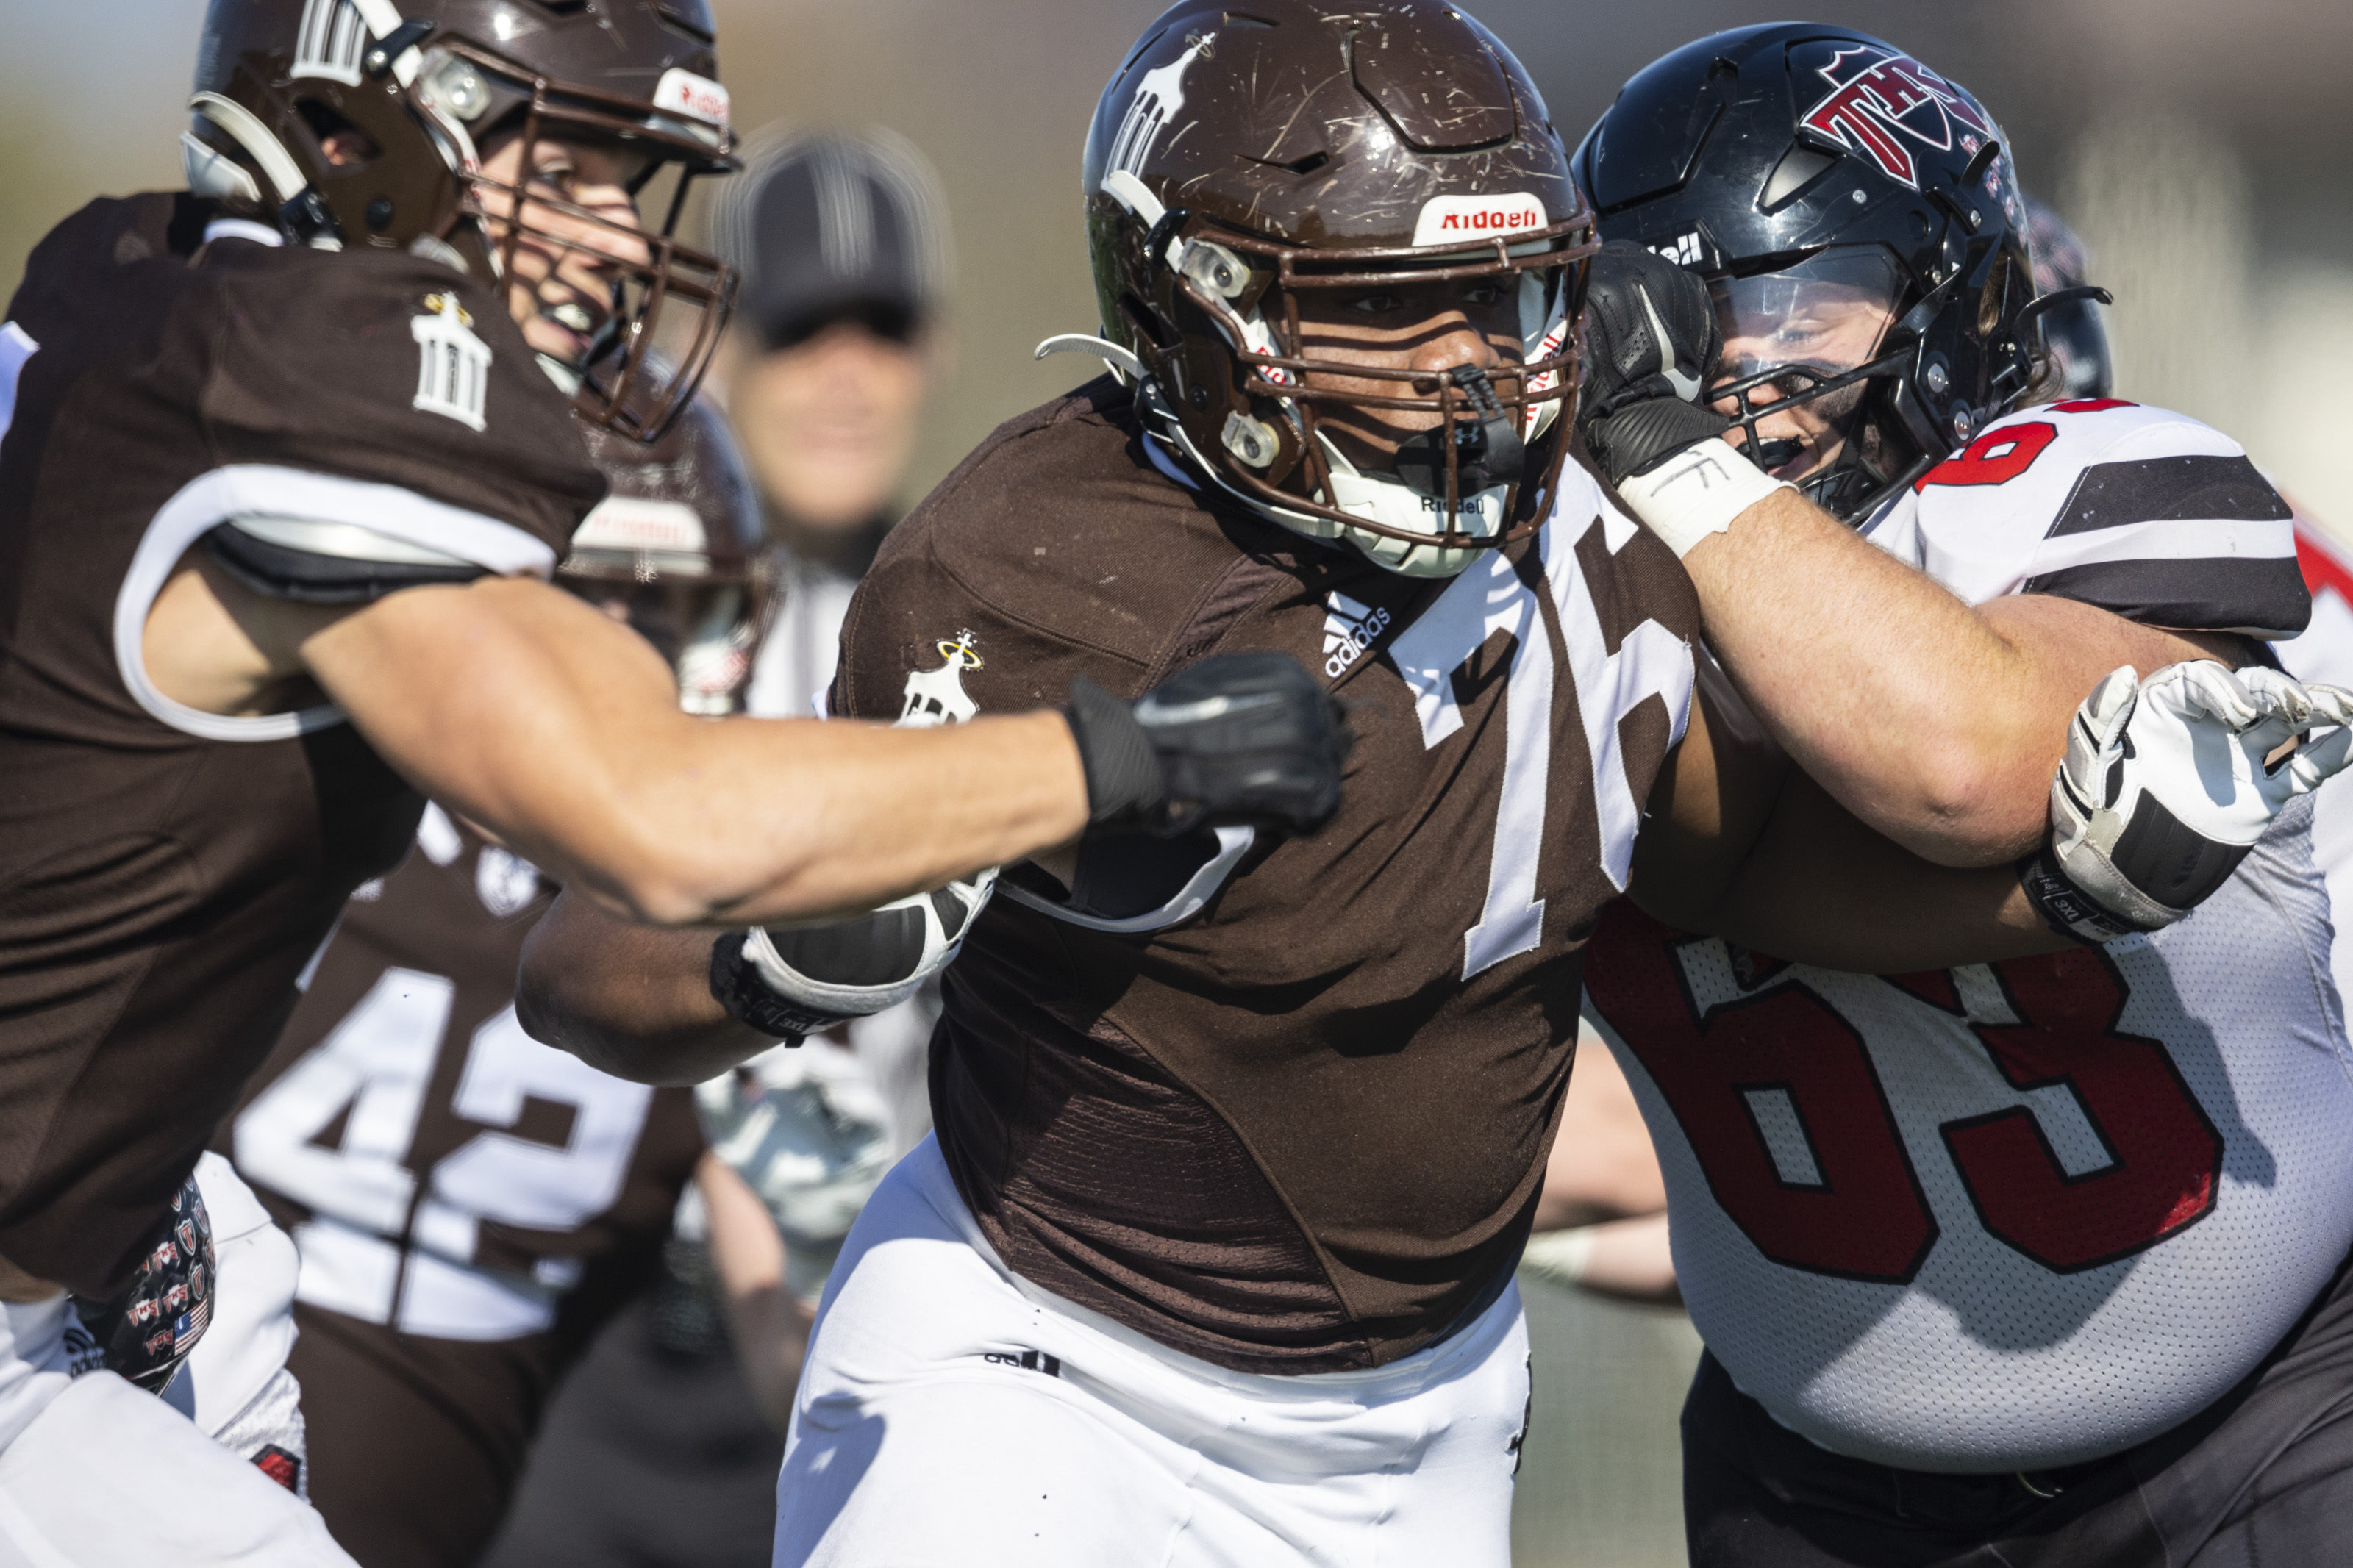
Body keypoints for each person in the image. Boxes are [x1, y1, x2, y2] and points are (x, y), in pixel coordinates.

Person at [516, 4, 2343, 1563]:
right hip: (1051, 1362)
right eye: (1400, 304)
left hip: (1429, 1428)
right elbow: (615, 927)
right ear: (1213, 317)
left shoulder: (1634, 515)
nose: (1485, 362)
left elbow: (1748, 863)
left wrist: (2052, 891)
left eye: (1515, 290)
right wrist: (778, 957)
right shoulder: (1040, 564)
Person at [0, 0, 1348, 1559]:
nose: (618, 246)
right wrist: (1117, 756)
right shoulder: (305, 394)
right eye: (562, 171)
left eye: (623, 185)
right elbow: (662, 819)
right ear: (356, 132)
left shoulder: (133, 295)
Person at [1566, 23, 2353, 1565]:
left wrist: (1653, 444)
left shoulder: (2046, 494)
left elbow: (1957, 760)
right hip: (1813, 1483)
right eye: (1677, 310)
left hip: (2258, 1438)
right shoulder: (1559, 581)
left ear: (1950, 303)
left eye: (1793, 303)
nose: (1732, 366)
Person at [220, 399, 777, 1567]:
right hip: (174, 1392)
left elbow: (787, 1330)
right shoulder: (311, 790)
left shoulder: (735, 920)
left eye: (659, 614)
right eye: (582, 608)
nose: (616, 663)